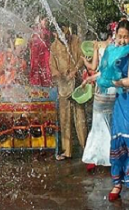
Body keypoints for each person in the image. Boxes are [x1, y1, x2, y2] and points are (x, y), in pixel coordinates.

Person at [102, 21, 129, 205]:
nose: (122, 39)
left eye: (125, 36)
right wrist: (91, 78)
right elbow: (103, 73)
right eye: (119, 36)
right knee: (117, 142)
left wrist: (111, 82)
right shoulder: (114, 51)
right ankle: (117, 183)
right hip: (120, 102)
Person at [80, 28, 115, 172]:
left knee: (98, 123)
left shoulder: (98, 47)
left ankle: (93, 157)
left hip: (101, 88)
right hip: (113, 88)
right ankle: (110, 155)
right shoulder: (116, 47)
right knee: (109, 122)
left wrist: (83, 61)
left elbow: (93, 67)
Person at [50, 26, 86, 160]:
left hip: (76, 83)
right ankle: (67, 151)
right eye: (60, 35)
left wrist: (75, 71)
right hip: (63, 85)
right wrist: (57, 74)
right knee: (65, 118)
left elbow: (82, 58)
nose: (64, 37)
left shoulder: (76, 41)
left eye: (65, 33)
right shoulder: (53, 47)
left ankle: (85, 148)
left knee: (80, 117)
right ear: (55, 34)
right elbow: (52, 65)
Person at [29, 16, 52, 87]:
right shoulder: (34, 31)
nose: (46, 22)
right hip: (36, 53)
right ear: (40, 21)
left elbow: (46, 40)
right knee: (35, 68)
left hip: (45, 53)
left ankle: (47, 84)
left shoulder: (47, 31)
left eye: (47, 21)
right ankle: (35, 84)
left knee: (46, 68)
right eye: (44, 20)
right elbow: (31, 42)